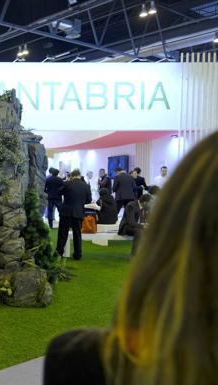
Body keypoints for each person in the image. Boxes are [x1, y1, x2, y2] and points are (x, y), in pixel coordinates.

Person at [44, 131, 218, 385]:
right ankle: (74, 253)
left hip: (72, 212)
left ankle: (63, 253)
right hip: (83, 213)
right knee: (76, 238)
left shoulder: (80, 358)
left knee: (64, 237)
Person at [56, 169, 91, 260]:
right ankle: (77, 254)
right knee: (77, 234)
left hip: (66, 212)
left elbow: (59, 192)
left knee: (63, 233)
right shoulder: (86, 186)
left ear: (71, 175)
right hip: (78, 212)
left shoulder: (67, 184)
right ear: (80, 175)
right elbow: (89, 200)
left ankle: (59, 252)